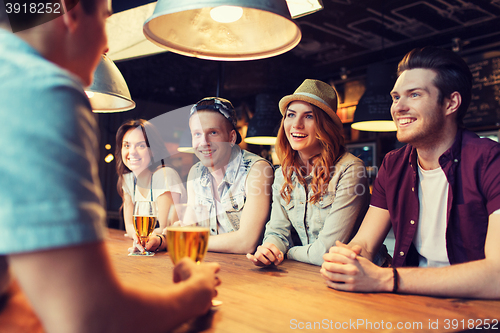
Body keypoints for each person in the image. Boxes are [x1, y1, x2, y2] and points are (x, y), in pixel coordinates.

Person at [0, 1, 220, 332]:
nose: (106, 45)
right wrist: (196, 293)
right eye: (106, 18)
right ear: (70, 12)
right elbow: (92, 318)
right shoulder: (40, 88)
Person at [321, 46, 500, 299]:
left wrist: (385, 278)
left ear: (451, 103)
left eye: (414, 95)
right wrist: (348, 259)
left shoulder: (490, 161)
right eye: (396, 97)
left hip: (479, 314)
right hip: (409, 305)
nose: (398, 108)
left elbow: (497, 276)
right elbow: (366, 243)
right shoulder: (392, 165)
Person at [247, 79, 370, 266]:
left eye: (309, 116)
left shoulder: (350, 170)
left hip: (359, 277)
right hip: (312, 275)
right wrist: (270, 249)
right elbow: (277, 232)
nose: (296, 124)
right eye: (291, 115)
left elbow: (326, 252)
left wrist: (287, 252)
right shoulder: (282, 174)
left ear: (326, 126)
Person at [145, 97, 274, 254]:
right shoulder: (196, 172)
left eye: (213, 132)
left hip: (254, 271)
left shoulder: (257, 171)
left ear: (231, 137)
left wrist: (186, 239)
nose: (204, 142)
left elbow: (246, 243)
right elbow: (189, 227)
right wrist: (161, 239)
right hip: (210, 265)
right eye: (197, 134)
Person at [115, 119, 186, 243]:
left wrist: (140, 236)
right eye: (127, 145)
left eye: (141, 145)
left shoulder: (164, 175)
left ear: (153, 151)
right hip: (150, 246)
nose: (132, 152)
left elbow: (165, 229)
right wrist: (139, 237)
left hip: (178, 248)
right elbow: (129, 227)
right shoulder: (128, 180)